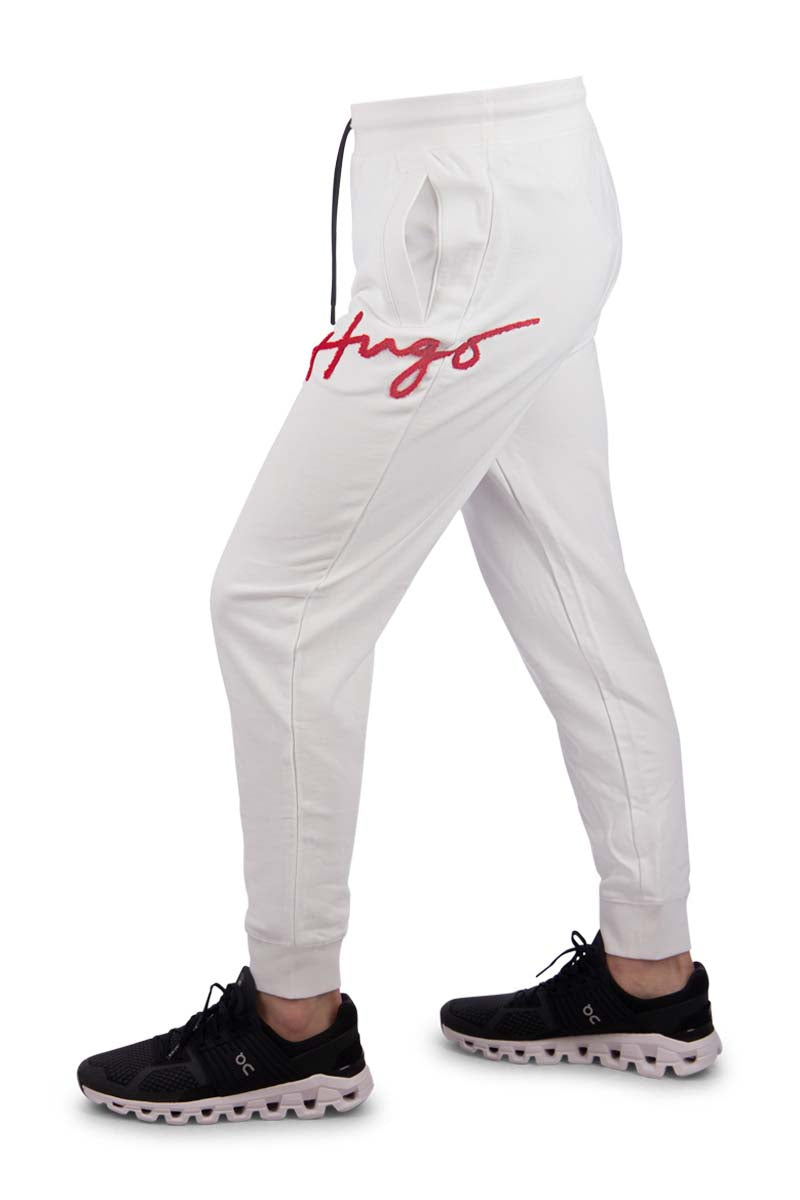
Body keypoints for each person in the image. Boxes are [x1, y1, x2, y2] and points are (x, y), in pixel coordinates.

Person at [77, 78, 720, 1124]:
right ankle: (648, 971)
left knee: (274, 605)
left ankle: (291, 1023)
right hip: (531, 178)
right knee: (573, 586)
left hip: (464, 212)